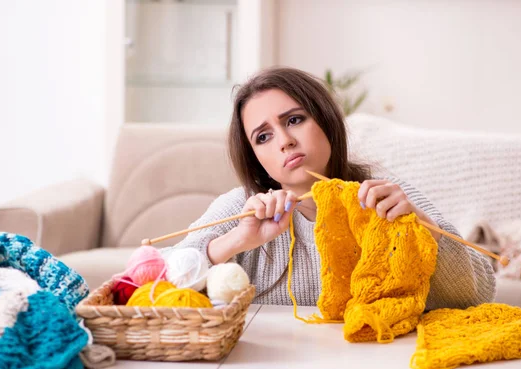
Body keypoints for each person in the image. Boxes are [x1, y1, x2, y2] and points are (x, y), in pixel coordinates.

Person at [167, 67, 495, 310]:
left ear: (325, 119)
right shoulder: (243, 207)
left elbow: (479, 292)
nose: (285, 141)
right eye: (263, 137)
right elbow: (154, 283)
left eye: (294, 119)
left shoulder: (384, 196)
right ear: (255, 158)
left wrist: (426, 231)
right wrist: (237, 240)